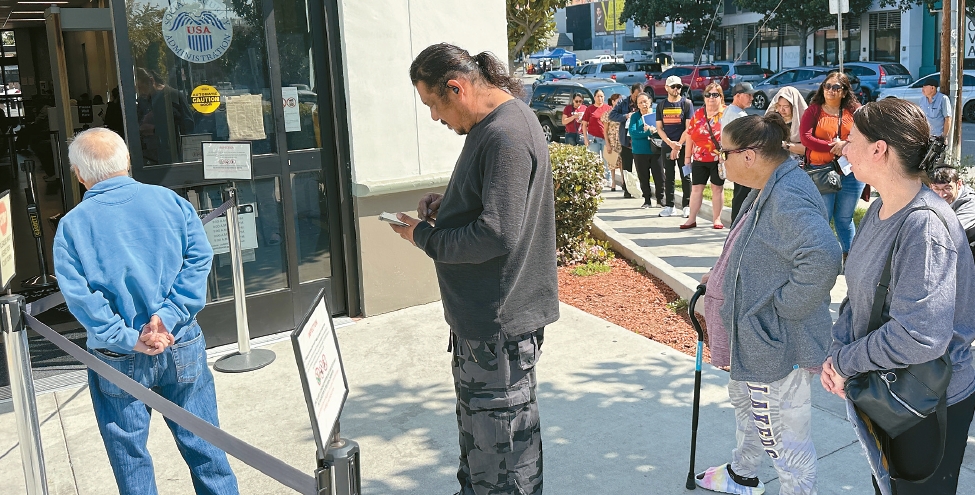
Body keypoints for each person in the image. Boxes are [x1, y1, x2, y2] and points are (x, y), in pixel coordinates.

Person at [393, 43, 557, 495]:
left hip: (496, 329)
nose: (434, 118)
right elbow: (497, 202)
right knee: (485, 450)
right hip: (485, 325)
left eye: (432, 104)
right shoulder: (496, 125)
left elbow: (496, 233)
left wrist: (423, 237)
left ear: (456, 87)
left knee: (503, 458)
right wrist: (449, 205)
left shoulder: (505, 133)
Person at [52, 128, 238, 495]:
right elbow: (199, 258)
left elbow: (80, 297)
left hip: (116, 354)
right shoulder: (170, 202)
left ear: (79, 174)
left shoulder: (72, 225)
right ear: (127, 161)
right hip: (179, 340)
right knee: (204, 442)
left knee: (129, 456)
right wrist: (168, 315)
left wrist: (126, 338)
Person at [821, 98, 975, 495]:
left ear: (879, 149)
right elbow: (857, 296)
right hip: (886, 387)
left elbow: (920, 335)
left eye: (851, 138)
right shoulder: (879, 210)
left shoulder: (924, 226)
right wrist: (839, 355)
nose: (843, 147)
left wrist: (844, 361)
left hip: (927, 400)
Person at [696, 113, 842, 495]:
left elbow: (824, 255)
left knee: (783, 439)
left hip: (775, 344)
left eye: (722, 152)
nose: (718, 159)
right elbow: (763, 249)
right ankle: (742, 473)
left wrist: (780, 310)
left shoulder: (786, 194)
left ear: (748, 155)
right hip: (758, 341)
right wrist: (721, 278)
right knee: (753, 413)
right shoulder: (772, 183)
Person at [800, 71, 862, 260]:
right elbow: (806, 138)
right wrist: (833, 147)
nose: (831, 91)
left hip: (851, 172)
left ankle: (850, 259)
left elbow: (865, 136)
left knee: (844, 218)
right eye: (827, 86)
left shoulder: (855, 110)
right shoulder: (814, 110)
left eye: (836, 87)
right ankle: (820, 259)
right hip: (822, 171)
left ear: (844, 92)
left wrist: (846, 145)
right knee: (823, 218)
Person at [680, 83, 725, 229]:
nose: (711, 98)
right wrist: (687, 158)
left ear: (721, 97)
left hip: (719, 159)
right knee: (696, 189)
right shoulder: (699, 114)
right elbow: (690, 136)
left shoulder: (726, 113)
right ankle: (691, 219)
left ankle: (717, 219)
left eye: (715, 95)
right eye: (708, 95)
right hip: (699, 158)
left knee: (717, 189)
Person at [656, 75, 694, 218]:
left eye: (679, 87)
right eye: (673, 87)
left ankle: (687, 205)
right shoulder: (661, 105)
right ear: (667, 88)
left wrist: (678, 145)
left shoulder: (687, 104)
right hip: (667, 145)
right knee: (669, 176)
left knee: (686, 175)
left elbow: (689, 127)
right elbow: (659, 128)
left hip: (684, 146)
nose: (677, 89)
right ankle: (670, 206)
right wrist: (670, 144)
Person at [722, 82, 755, 222]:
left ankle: (736, 229)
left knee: (740, 196)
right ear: (737, 96)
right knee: (743, 197)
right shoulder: (738, 115)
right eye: (748, 95)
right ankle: (737, 230)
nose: (752, 98)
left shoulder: (731, 110)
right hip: (741, 161)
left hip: (735, 159)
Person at [929, 166, 975, 260]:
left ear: (959, 184)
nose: (942, 195)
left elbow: (949, 232)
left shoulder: (971, 204)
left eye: (947, 188)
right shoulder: (929, 197)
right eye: (937, 189)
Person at [610, 83, 646, 199]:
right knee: (626, 167)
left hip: (641, 140)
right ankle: (627, 190)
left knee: (642, 167)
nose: (637, 98)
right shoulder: (623, 103)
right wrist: (626, 116)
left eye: (640, 95)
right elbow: (612, 115)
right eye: (636, 96)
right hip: (626, 140)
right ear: (631, 93)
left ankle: (644, 190)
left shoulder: (645, 101)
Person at [627, 93, 662, 208]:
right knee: (643, 176)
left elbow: (661, 130)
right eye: (640, 102)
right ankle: (647, 200)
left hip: (655, 150)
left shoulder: (655, 114)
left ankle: (660, 200)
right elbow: (633, 133)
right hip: (639, 151)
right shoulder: (635, 117)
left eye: (645, 101)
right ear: (637, 105)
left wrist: (654, 130)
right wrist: (647, 132)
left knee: (659, 176)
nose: (643, 104)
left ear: (650, 101)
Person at [766, 86, 807, 164]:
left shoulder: (806, 121)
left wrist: (786, 145)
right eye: (779, 106)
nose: (782, 110)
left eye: (786, 106)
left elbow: (808, 149)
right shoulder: (774, 120)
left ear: (794, 106)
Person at [581, 89, 612, 187]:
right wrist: (585, 138)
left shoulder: (608, 108)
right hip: (592, 138)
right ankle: (595, 179)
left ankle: (607, 179)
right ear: (594, 97)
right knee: (594, 160)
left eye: (602, 96)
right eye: (598, 96)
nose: (600, 98)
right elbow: (584, 124)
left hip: (605, 138)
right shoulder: (589, 109)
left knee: (606, 160)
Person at [601, 93, 623, 191]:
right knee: (612, 162)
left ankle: (624, 181)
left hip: (622, 140)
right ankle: (613, 182)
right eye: (617, 101)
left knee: (623, 162)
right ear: (613, 102)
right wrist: (607, 143)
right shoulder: (608, 114)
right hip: (612, 140)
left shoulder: (623, 113)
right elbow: (605, 131)